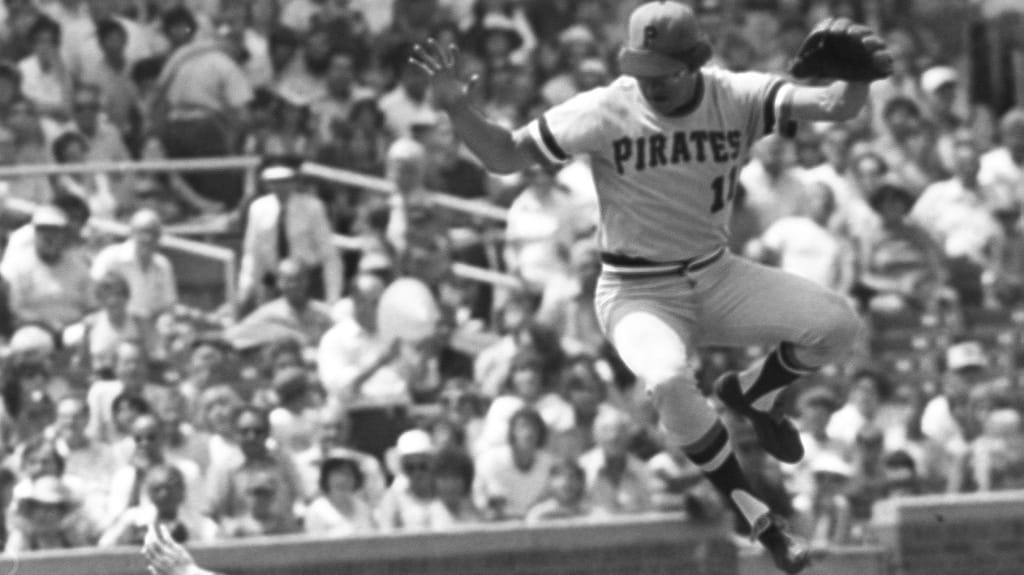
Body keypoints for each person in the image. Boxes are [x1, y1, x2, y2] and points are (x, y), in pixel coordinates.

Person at [412, 2, 880, 570]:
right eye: (641, 68)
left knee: (838, 325)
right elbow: (504, 156)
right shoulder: (606, 107)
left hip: (715, 272)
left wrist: (858, 76)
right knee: (667, 381)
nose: (650, 82)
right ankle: (759, 518)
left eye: (663, 71)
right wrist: (460, 109)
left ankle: (751, 393)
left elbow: (836, 104)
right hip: (638, 291)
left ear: (693, 63)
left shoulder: (733, 94)